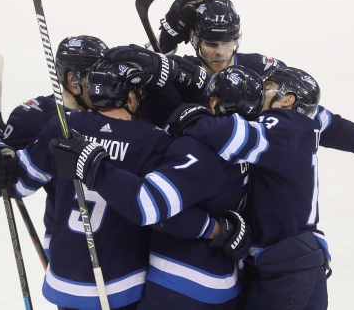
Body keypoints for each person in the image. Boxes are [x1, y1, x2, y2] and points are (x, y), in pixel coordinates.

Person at [172, 67, 354, 309]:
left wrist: (194, 118)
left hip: (285, 271)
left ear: (287, 100)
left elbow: (234, 138)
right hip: (298, 264)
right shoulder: (301, 124)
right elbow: (328, 120)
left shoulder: (284, 123)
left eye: (268, 88)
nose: (260, 91)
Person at [49, 65, 266, 309]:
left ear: (213, 103)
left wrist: (92, 166)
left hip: (178, 284)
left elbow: (149, 205)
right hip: (226, 283)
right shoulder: (258, 149)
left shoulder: (197, 150)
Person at [157, 0, 354, 174]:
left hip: (254, 189)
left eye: (228, 42)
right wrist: (164, 46)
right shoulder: (183, 73)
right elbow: (142, 100)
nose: (221, 52)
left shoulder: (259, 69)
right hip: (203, 183)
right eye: (211, 44)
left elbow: (306, 117)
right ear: (195, 41)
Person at [0, 35, 108, 259]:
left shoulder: (121, 105)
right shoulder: (37, 116)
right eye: (96, 76)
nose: (106, 83)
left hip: (126, 245)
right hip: (70, 247)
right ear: (72, 79)